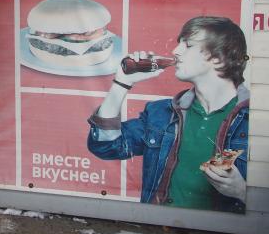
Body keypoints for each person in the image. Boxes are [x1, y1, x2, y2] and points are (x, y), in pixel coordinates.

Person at [87, 16, 248, 213]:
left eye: (187, 45)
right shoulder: (162, 114)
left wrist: (243, 192)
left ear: (219, 57)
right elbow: (105, 146)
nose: (175, 51)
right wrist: (122, 83)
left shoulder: (253, 120)